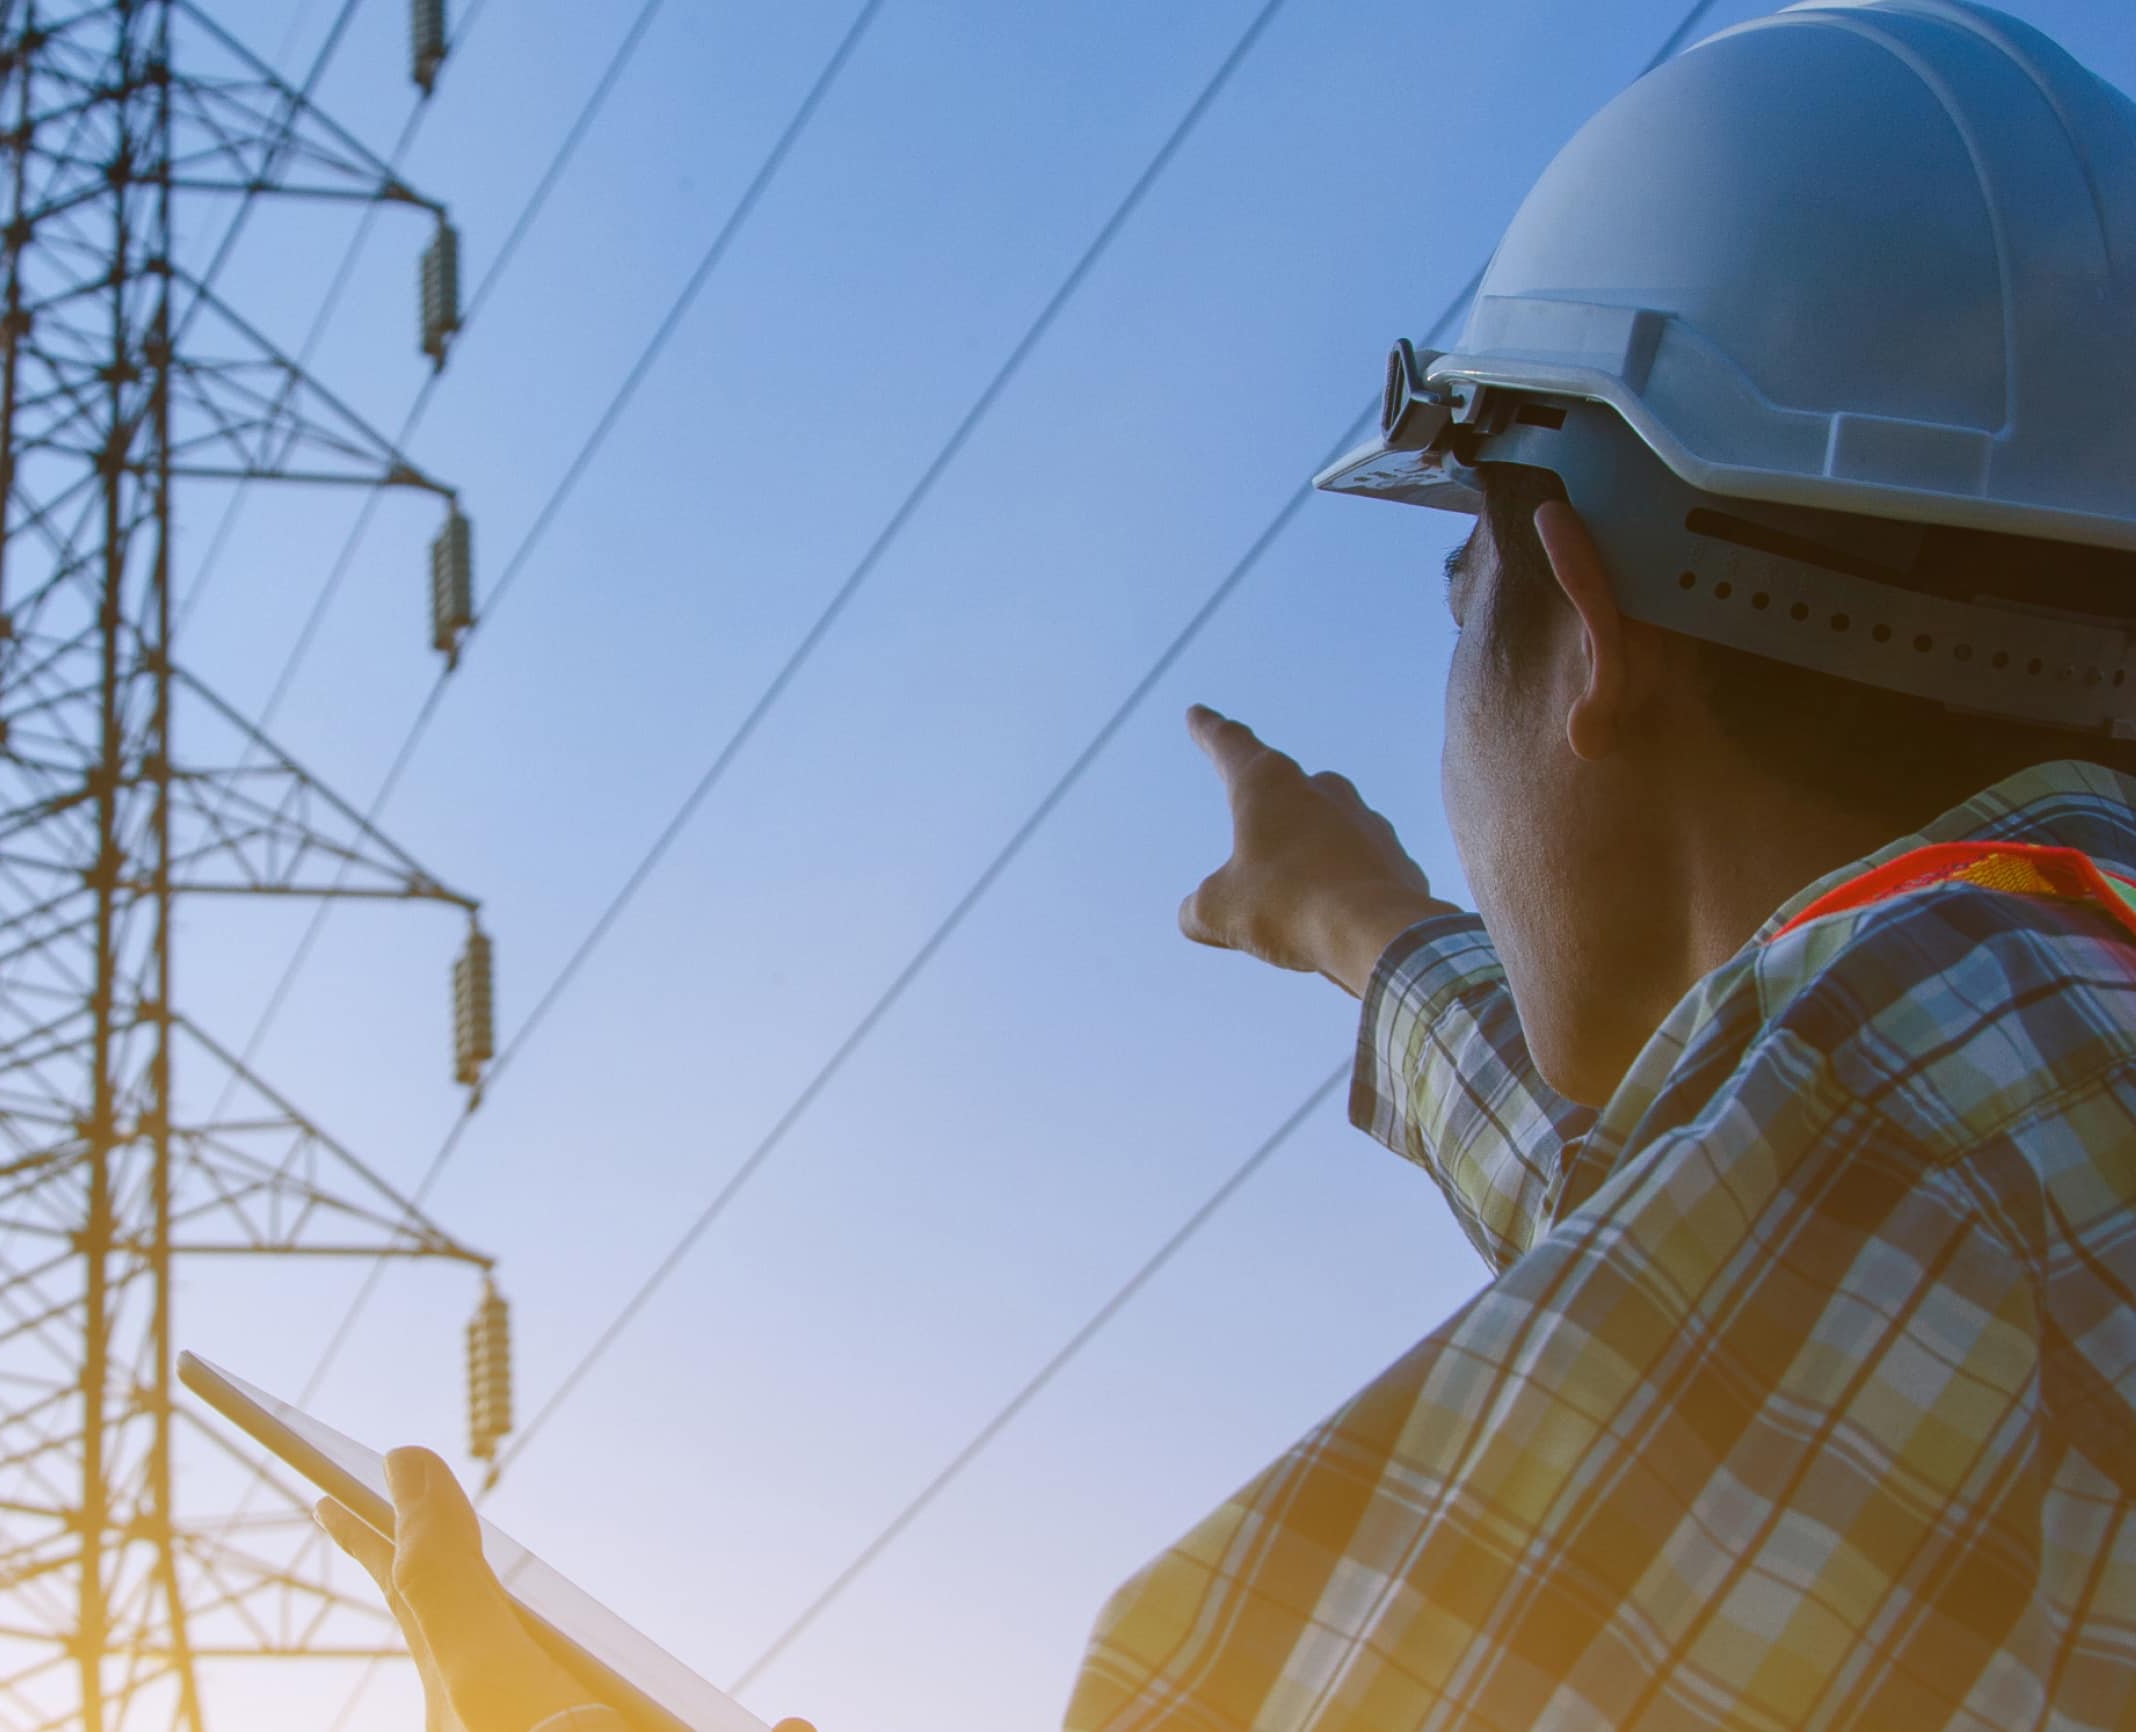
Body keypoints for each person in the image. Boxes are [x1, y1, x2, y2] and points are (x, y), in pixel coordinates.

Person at [320, 1, 2136, 1725]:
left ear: (1588, 623)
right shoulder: (2005, 1087)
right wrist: (1368, 929)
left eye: (1456, 592)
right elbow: (1682, 1203)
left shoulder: (1903, 1135)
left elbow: (1789, 1195)